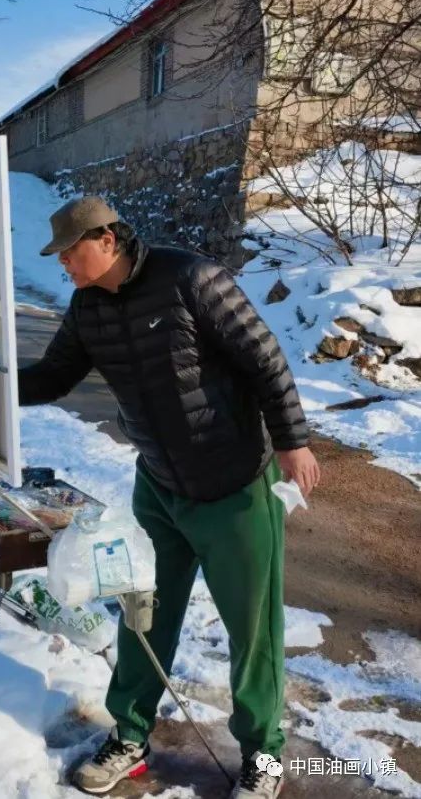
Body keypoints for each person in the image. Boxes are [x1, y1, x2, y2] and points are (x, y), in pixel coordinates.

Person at [17, 196, 320, 799]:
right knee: (142, 611)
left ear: (106, 240)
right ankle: (129, 733)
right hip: (158, 485)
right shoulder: (86, 309)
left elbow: (264, 358)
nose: (67, 269)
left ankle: (263, 753)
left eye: (72, 254)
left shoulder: (191, 278)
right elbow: (53, 376)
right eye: (61, 260)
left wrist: (293, 442)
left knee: (251, 628)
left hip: (233, 484)